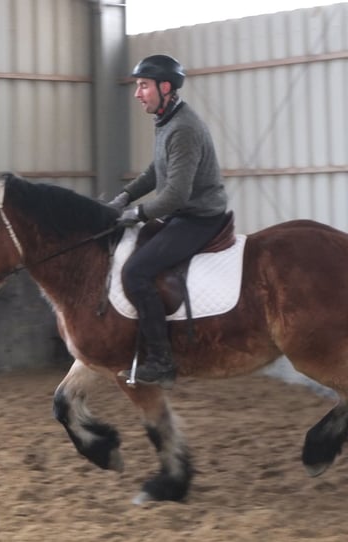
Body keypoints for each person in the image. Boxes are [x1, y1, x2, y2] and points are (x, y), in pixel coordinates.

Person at [108, 54, 229, 389]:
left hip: (198, 218)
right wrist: (124, 197)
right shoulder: (166, 120)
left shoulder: (184, 128)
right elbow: (154, 171)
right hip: (181, 215)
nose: (137, 93)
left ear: (165, 87)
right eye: (137, 86)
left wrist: (135, 214)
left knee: (136, 272)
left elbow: (174, 195)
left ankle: (161, 361)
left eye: (143, 86)